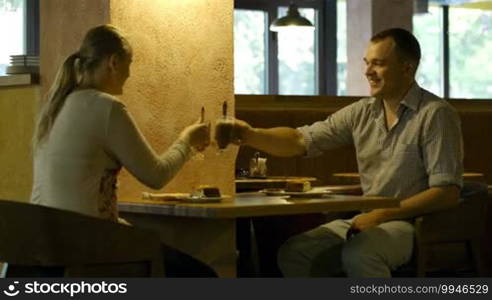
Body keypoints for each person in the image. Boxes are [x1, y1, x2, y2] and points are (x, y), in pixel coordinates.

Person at [220, 28, 463, 277]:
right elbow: (299, 140)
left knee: (360, 253)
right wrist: (249, 135)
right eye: (367, 63)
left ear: (407, 68)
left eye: (378, 64)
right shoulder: (362, 112)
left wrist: (384, 214)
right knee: (297, 252)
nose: (368, 72)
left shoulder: (436, 114)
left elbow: (446, 193)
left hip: (416, 224)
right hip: (368, 219)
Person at [10, 24, 215, 277]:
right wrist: (187, 141)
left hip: (39, 255)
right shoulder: (107, 109)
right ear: (114, 62)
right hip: (88, 252)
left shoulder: (54, 106)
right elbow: (156, 176)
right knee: (202, 275)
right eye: (130, 62)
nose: (130, 73)